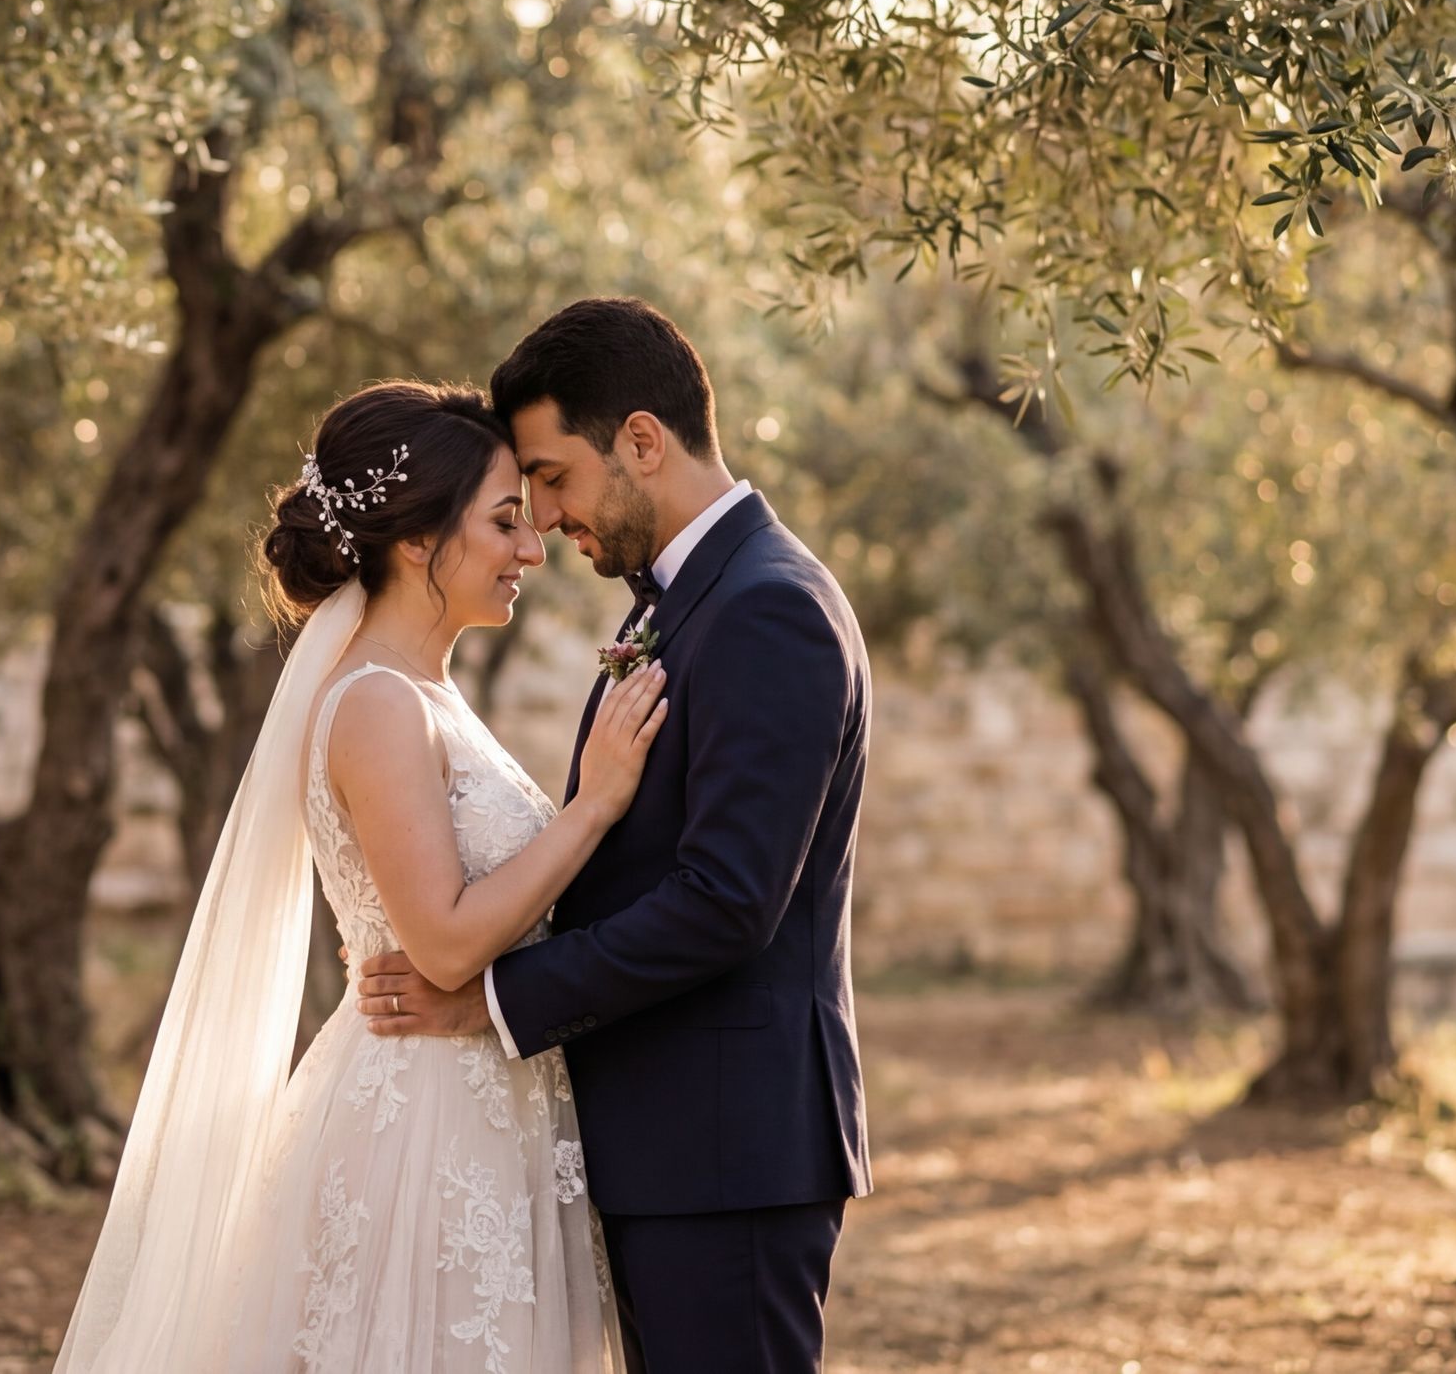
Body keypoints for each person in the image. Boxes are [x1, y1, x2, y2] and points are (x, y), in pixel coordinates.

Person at [54, 378, 665, 1374]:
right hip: (426, 1126)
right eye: (505, 521)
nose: (532, 548)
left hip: (487, 1103)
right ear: (418, 540)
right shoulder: (380, 702)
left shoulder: (426, 692)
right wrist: (595, 804)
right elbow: (447, 939)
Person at [359, 298, 874, 1374]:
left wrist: (491, 1000)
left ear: (641, 440)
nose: (542, 518)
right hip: (668, 1148)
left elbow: (729, 899)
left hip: (728, 1157)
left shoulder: (767, 608)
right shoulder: (676, 604)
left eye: (551, 477)